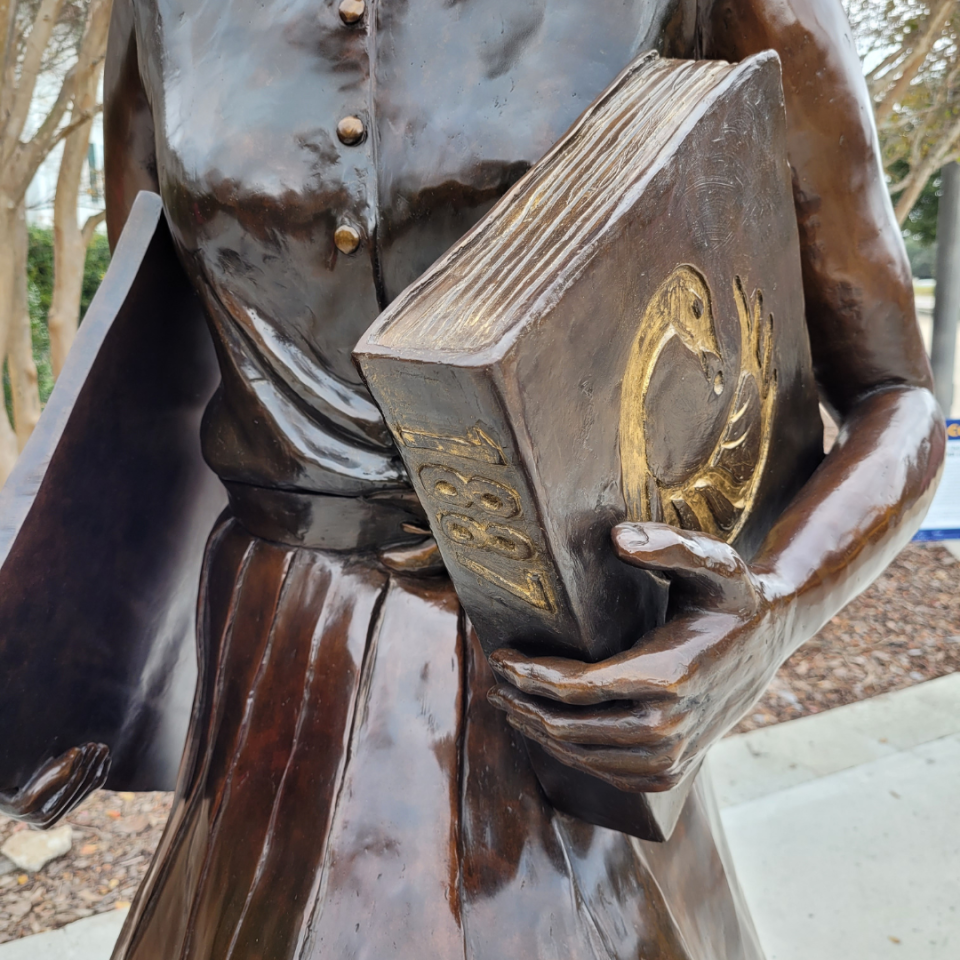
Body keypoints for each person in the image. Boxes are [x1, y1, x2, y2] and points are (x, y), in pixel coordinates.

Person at [37, 0, 955, 957]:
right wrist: (67, 657)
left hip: (567, 691)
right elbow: (156, 354)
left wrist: (758, 617)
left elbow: (896, 398)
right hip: (280, 676)